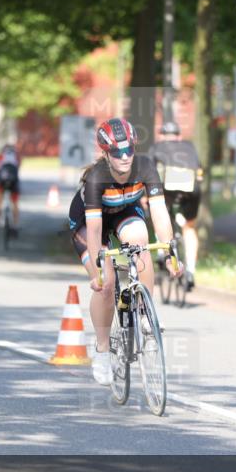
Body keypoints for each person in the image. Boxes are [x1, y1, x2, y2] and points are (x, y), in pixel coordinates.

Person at [68, 117, 180, 385]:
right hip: (89, 223)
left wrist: (170, 253)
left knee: (141, 241)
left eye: (129, 149)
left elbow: (160, 212)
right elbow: (95, 229)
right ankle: (102, 350)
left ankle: (144, 313)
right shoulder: (97, 178)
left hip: (124, 211)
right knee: (106, 284)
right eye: (118, 153)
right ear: (106, 153)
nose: (125, 156)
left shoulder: (145, 166)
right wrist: (97, 272)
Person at [148, 121, 203, 291]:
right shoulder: (189, 146)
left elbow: (148, 173)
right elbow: (199, 171)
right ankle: (191, 271)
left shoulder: (157, 147)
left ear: (161, 135)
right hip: (192, 186)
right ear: (179, 136)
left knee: (159, 214)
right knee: (190, 227)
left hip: (168, 185)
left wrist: (144, 197)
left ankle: (161, 253)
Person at [0, 144, 21, 232]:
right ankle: (15, 224)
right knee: (15, 202)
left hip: (2, 182)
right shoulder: (16, 157)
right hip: (13, 182)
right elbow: (18, 167)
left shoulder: (0, 156)